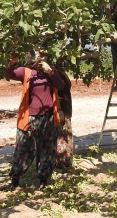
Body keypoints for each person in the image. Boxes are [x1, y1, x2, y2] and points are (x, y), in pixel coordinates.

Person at [5, 51, 64, 190]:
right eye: (38, 55)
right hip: (29, 118)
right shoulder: (26, 72)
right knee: (23, 148)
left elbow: (61, 86)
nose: (41, 58)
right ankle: (15, 180)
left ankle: (43, 180)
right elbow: (9, 74)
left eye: (43, 55)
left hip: (48, 117)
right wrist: (12, 62)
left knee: (47, 149)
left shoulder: (51, 72)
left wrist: (50, 71)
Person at [54, 58, 74, 169]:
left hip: (65, 108)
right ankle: (62, 161)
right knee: (62, 135)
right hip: (61, 109)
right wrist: (59, 110)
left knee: (64, 134)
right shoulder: (58, 76)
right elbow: (56, 93)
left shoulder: (60, 74)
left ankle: (64, 161)